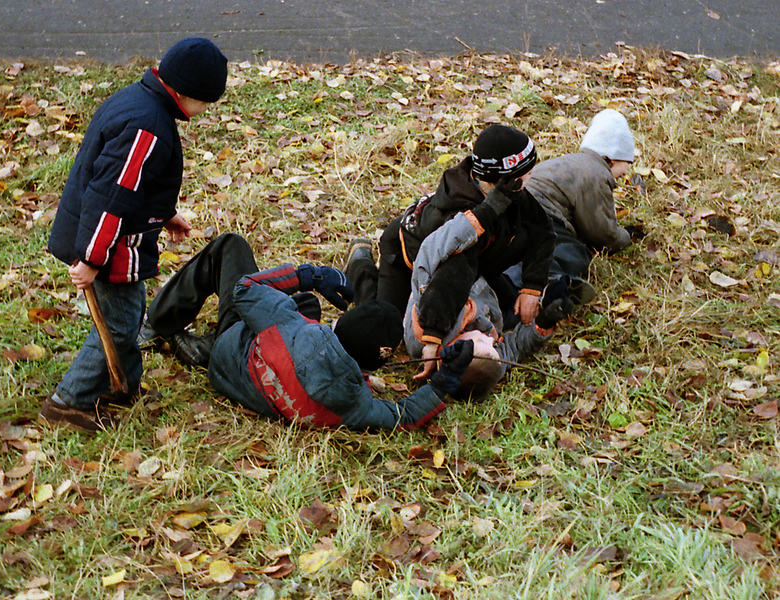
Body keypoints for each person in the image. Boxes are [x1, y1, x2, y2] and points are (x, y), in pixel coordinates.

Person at [39, 38, 229, 432]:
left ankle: (119, 384)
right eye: (207, 102)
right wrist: (91, 259)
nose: (207, 110)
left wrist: (166, 214)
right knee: (120, 323)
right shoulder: (148, 128)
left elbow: (133, 186)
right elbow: (110, 199)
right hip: (106, 245)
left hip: (114, 238)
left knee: (128, 311)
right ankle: (68, 403)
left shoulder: (138, 100)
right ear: (186, 92)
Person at [138, 233, 474, 431]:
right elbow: (405, 416)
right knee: (306, 304)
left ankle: (158, 324)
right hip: (255, 388)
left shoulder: (289, 324)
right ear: (369, 367)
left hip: (235, 356)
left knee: (230, 246)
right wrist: (445, 381)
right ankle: (203, 348)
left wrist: (309, 274)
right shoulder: (356, 403)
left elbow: (244, 288)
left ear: (339, 326)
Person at [346, 124, 555, 332]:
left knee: (512, 309)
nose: (530, 179)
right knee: (384, 326)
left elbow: (543, 229)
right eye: (527, 174)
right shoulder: (459, 213)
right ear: (506, 179)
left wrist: (532, 288)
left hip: (477, 257)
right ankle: (360, 264)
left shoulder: (510, 192)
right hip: (409, 256)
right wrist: (433, 333)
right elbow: (448, 276)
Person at [398, 209, 575, 390]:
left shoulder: (426, 330)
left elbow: (428, 260)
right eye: (494, 346)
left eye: (485, 343)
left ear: (455, 350)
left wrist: (473, 222)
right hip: (484, 284)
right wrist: (544, 323)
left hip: (445, 257)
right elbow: (515, 349)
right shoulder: (485, 360)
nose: (492, 341)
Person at [503, 108, 644, 304]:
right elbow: (603, 235)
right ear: (612, 158)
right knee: (573, 251)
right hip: (542, 217)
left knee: (525, 248)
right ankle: (542, 281)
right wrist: (626, 236)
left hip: (512, 212)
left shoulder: (570, 161)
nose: (625, 172)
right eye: (627, 162)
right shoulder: (597, 173)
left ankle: (508, 275)